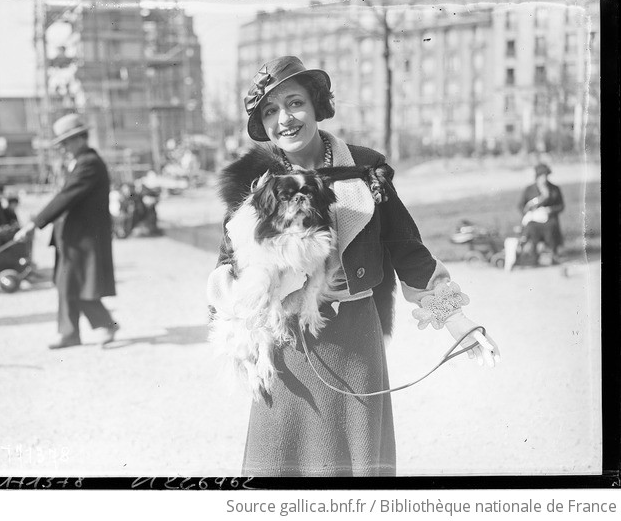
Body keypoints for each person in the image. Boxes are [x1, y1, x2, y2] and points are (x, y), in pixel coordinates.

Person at [206, 56, 501, 477]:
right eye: (269, 111)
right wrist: (282, 281)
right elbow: (226, 272)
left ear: (317, 104)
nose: (284, 120)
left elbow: (408, 251)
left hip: (354, 343)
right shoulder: (254, 181)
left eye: (294, 103)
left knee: (357, 474)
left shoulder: (366, 170)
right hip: (285, 342)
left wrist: (458, 322)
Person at [14, 113, 119, 349]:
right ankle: (78, 330)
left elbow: (66, 197)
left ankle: (93, 327)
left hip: (83, 236)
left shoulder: (89, 163)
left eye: (66, 142)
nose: (63, 148)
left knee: (74, 282)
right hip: (73, 236)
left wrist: (35, 223)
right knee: (67, 283)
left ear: (81, 138)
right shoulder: (80, 162)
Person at [518, 162, 565, 263]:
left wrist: (550, 210)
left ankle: (552, 254)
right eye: (541, 176)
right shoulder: (529, 189)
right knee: (530, 227)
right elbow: (521, 206)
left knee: (551, 227)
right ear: (537, 176)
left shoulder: (554, 189)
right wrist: (530, 212)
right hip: (534, 221)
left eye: (546, 176)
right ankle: (533, 254)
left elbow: (561, 206)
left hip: (549, 220)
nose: (544, 179)